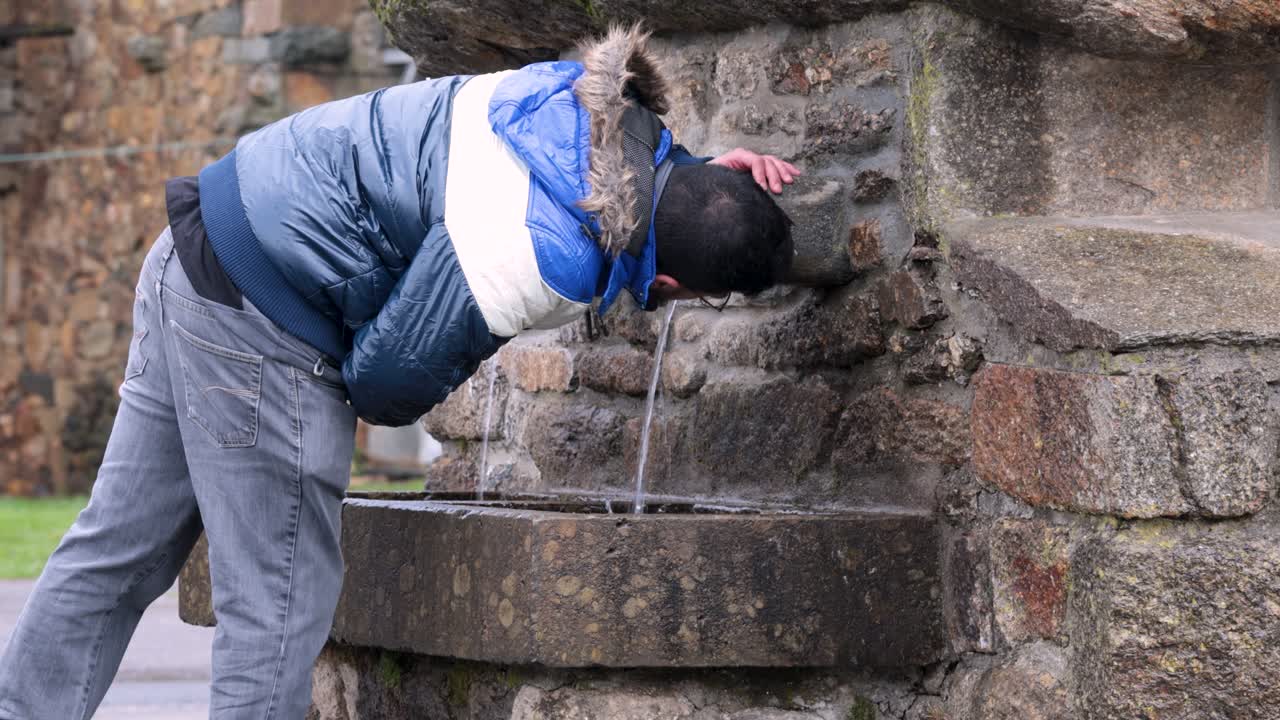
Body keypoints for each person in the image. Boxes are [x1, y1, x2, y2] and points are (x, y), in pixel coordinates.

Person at [0, 25, 796, 720]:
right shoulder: (538, 253)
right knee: (276, 605)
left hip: (198, 242)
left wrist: (706, 187)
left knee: (117, 552)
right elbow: (384, 385)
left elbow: (649, 189)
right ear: (676, 287)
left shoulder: (600, 104)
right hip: (263, 315)